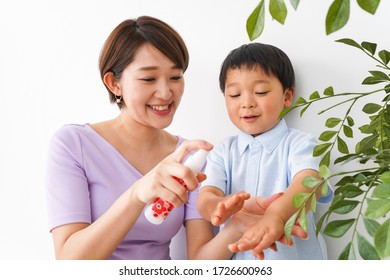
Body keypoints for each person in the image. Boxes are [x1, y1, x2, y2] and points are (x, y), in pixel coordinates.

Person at [45, 16, 303, 260]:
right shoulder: (74, 144)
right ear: (114, 83)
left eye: (175, 77)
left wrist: (236, 228)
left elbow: (200, 260)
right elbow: (69, 259)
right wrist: (137, 194)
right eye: (148, 78)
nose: (166, 92)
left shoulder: (191, 157)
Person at [197, 42, 333, 260]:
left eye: (260, 92)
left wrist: (277, 215)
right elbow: (206, 198)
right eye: (234, 95)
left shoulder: (301, 144)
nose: (247, 103)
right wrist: (216, 206)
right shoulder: (222, 152)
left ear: (287, 96)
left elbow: (310, 182)